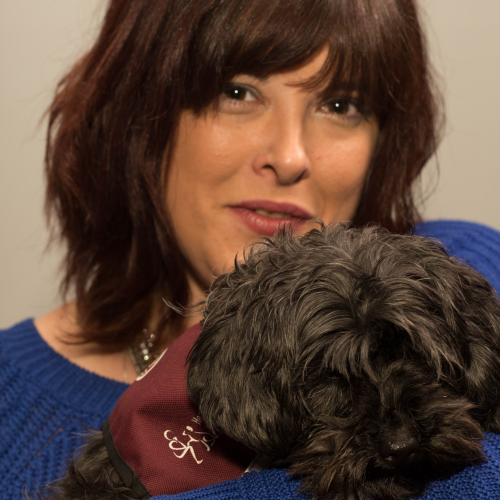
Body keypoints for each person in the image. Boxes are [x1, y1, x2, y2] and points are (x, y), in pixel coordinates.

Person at [1, 0, 500, 498]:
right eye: (237, 93)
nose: (289, 157)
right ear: (137, 120)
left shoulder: (458, 266)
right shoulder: (11, 412)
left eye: (340, 105)